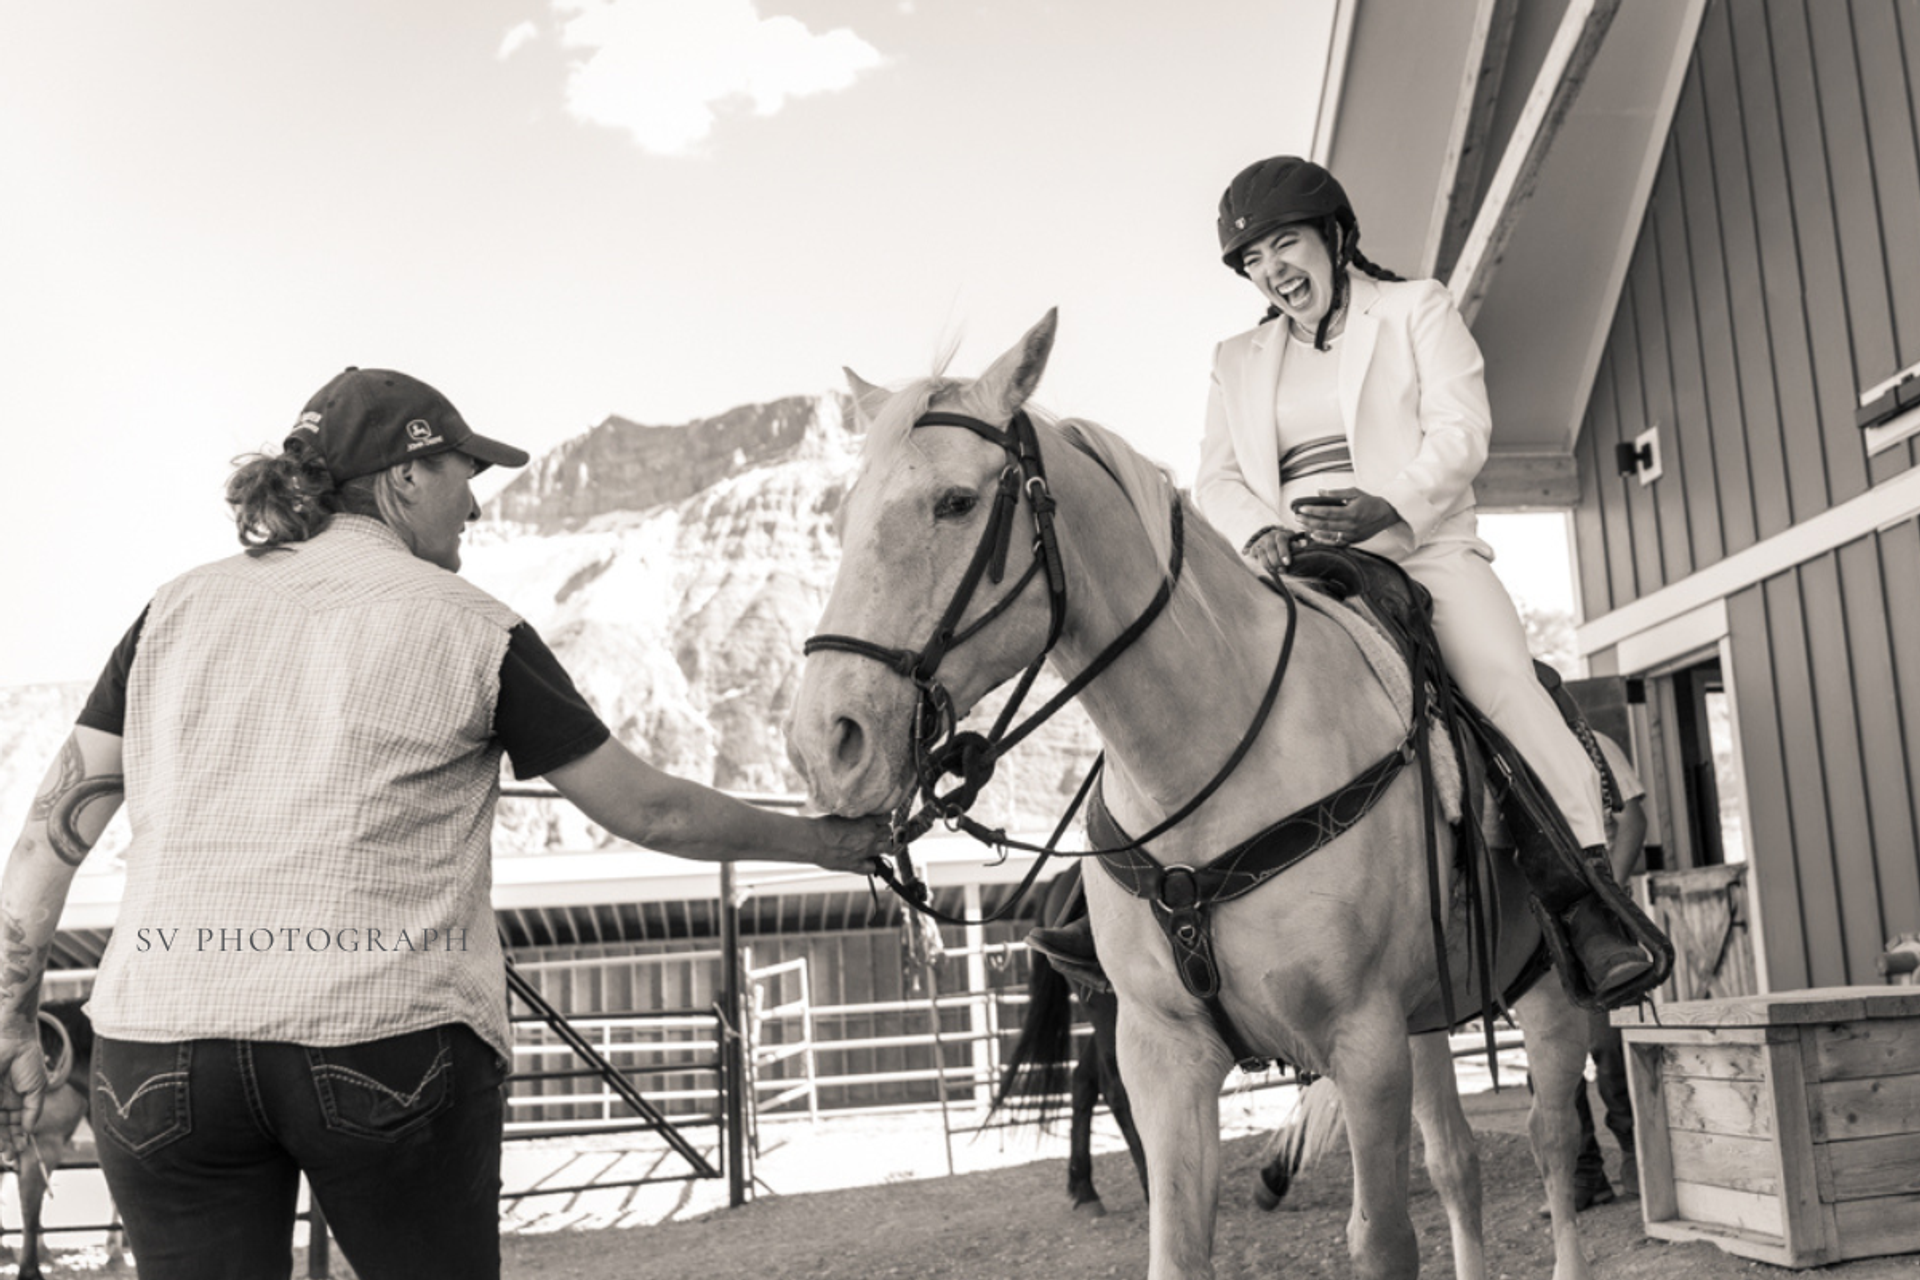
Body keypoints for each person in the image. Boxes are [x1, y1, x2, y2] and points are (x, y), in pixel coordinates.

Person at [0, 367, 892, 1280]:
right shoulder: (473, 626)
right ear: (405, 476)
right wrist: (833, 842)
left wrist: (9, 1022)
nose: (477, 504)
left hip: (156, 1051)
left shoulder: (172, 610)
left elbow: (47, 838)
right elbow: (649, 807)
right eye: (468, 472)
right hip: (379, 1036)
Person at [1030, 157, 1654, 1005]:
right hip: (1296, 573)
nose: (1272, 269)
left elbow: (1462, 431)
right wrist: (1265, 534)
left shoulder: (1414, 310)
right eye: (1252, 260)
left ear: (1333, 236)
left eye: (1284, 243)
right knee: (1163, 690)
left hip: (1421, 554)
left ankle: (1588, 903)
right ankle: (1112, 906)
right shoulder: (1237, 358)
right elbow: (1217, 479)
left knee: (1504, 682)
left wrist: (1386, 505)